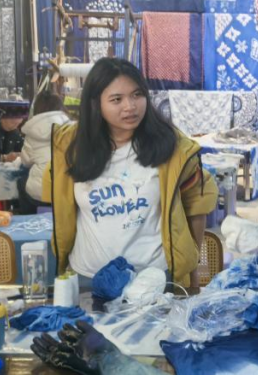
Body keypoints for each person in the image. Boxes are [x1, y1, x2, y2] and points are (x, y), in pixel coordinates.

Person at [43, 58, 217, 287]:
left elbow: (197, 205)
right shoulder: (69, 147)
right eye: (117, 99)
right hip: (87, 278)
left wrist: (192, 269)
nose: (130, 106)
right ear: (96, 103)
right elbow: (56, 201)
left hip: (154, 280)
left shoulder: (173, 147)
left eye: (137, 95)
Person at [17, 90, 71, 214]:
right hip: (68, 191)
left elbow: (26, 162)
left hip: (41, 193)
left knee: (21, 182)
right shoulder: (71, 127)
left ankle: (29, 219)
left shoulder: (32, 132)